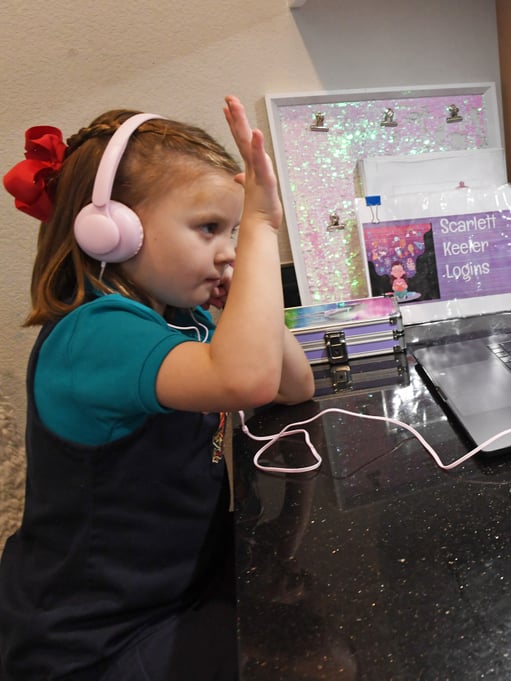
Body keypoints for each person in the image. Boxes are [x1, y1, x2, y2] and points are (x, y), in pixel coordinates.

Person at [0, 96, 315, 680]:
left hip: (177, 589)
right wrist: (262, 230)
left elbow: (294, 385)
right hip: (97, 639)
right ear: (111, 229)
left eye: (234, 230)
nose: (228, 251)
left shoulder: (182, 318)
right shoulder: (95, 335)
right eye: (209, 228)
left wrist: (239, 296)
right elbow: (247, 379)